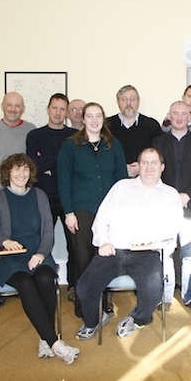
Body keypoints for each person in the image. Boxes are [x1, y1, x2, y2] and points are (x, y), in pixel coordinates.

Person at [75, 148, 183, 341]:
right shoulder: (121, 187)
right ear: (138, 166)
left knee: (153, 290)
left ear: (162, 167)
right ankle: (94, 320)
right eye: (145, 163)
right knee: (84, 287)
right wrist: (104, 241)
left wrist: (150, 238)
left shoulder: (171, 194)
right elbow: (101, 219)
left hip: (146, 253)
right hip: (113, 250)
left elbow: (172, 228)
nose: (149, 167)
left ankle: (138, 319)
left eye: (154, 163)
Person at [0, 154, 79, 364]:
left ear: (31, 173)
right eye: (16, 169)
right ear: (7, 172)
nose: (21, 174)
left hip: (38, 254)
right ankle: (54, 342)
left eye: (25, 169)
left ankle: (46, 341)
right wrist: (5, 241)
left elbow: (48, 231)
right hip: (9, 258)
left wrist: (41, 253)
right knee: (26, 283)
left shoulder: (39, 195)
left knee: (46, 278)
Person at [58, 102, 128, 316]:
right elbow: (63, 180)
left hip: (109, 211)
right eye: (90, 116)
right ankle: (83, 306)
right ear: (83, 118)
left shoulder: (113, 144)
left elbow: (122, 179)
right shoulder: (70, 146)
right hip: (82, 210)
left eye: (99, 116)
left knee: (105, 258)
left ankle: (104, 302)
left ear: (103, 119)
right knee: (83, 259)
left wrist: (121, 211)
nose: (94, 120)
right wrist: (68, 213)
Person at [153, 101, 191, 312]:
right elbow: (152, 173)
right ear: (169, 115)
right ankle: (165, 296)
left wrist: (187, 194)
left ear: (190, 116)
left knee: (189, 255)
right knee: (165, 254)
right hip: (164, 207)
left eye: (183, 114)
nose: (179, 117)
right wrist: (170, 196)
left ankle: (190, 295)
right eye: (175, 113)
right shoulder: (158, 142)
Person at [26, 93, 78, 301]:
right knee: (40, 241)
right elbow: (33, 166)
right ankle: (38, 282)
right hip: (43, 196)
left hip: (69, 198)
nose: (58, 112)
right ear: (48, 109)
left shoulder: (75, 135)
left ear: (67, 113)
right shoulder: (35, 135)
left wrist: (48, 164)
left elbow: (75, 166)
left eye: (62, 109)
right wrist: (59, 164)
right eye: (54, 108)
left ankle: (75, 285)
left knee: (74, 244)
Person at [106, 85, 162, 178]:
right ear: (118, 102)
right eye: (123, 99)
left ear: (138, 101)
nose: (128, 103)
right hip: (115, 180)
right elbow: (103, 156)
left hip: (145, 179)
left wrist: (141, 167)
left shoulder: (152, 125)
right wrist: (121, 168)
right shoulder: (107, 125)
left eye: (132, 99)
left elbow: (158, 154)